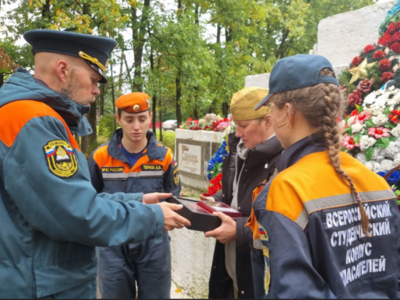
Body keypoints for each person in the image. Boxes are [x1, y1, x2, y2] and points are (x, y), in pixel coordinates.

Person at [0, 29, 190, 298]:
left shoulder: (31, 114)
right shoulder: (33, 119)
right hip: (37, 283)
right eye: (93, 79)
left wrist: (138, 200)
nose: (96, 90)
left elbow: (72, 199)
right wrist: (153, 216)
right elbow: (76, 214)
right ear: (63, 70)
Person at [247, 54, 400, 298]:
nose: (271, 119)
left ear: (288, 112)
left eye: (271, 109)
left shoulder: (287, 190)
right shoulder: (375, 181)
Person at [88, 92, 180, 299]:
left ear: (150, 117)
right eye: (129, 120)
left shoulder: (164, 157)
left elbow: (173, 196)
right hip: (112, 242)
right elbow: (89, 200)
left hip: (154, 243)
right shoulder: (101, 157)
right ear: (118, 119)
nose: (136, 126)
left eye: (142, 118)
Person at [202, 87, 283, 299]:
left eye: (243, 126)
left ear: (267, 121)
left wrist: (240, 231)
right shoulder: (241, 149)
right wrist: (217, 199)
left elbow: (281, 225)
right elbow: (236, 192)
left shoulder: (283, 161)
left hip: (257, 278)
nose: (237, 133)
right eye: (236, 125)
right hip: (232, 270)